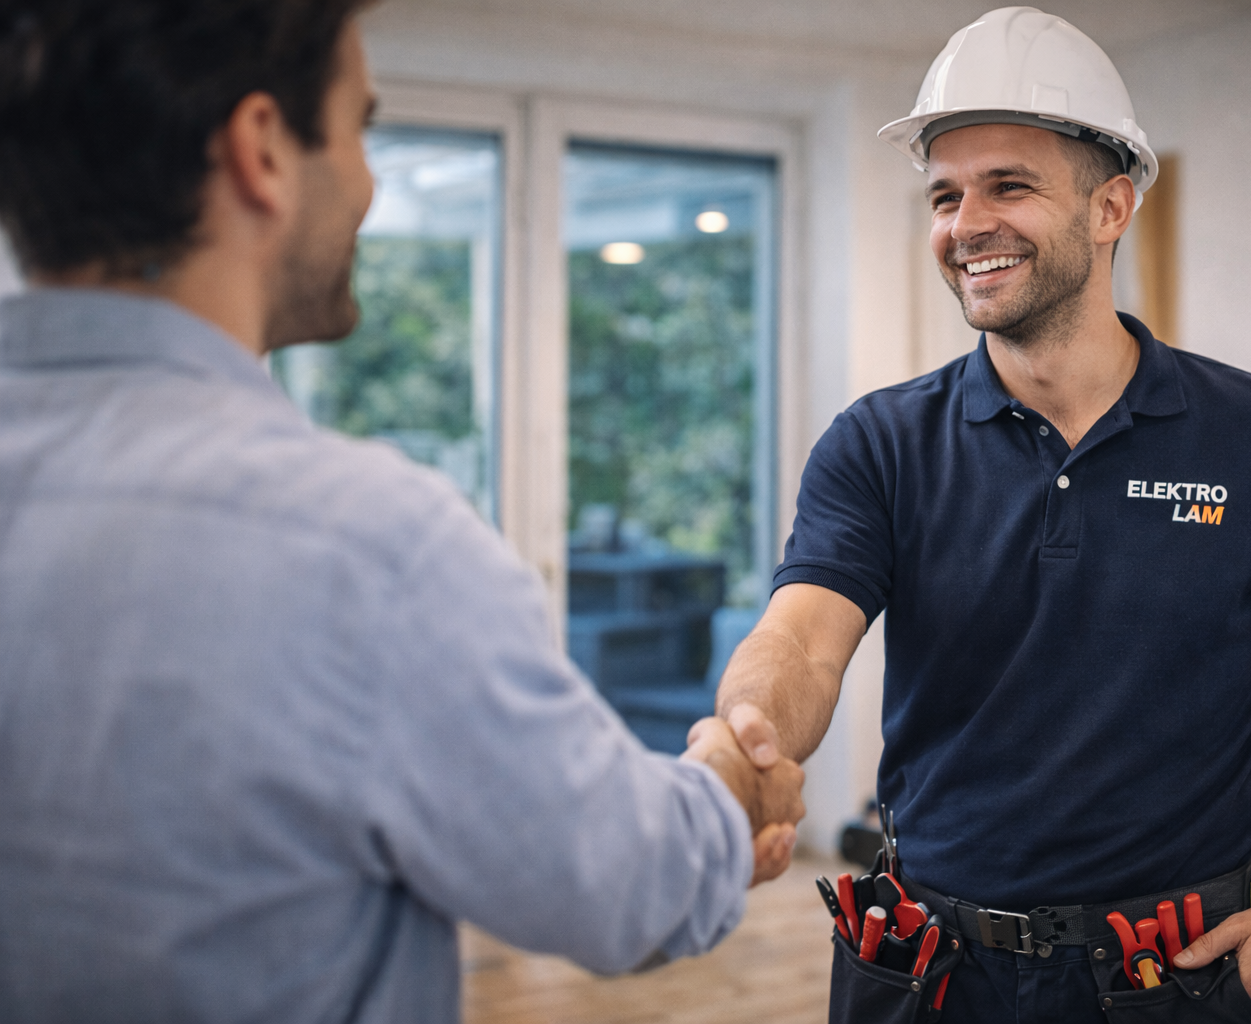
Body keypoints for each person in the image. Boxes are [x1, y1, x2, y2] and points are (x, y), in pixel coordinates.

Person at [0, 1, 803, 1020]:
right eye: (359, 127)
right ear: (263, 152)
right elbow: (619, 882)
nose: (371, 183)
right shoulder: (364, 548)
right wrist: (733, 781)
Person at [715, 8, 1251, 1023]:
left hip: (1182, 977)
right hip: (933, 977)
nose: (967, 224)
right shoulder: (880, 442)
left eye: (1009, 185)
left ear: (1110, 208)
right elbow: (802, 641)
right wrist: (743, 732)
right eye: (945, 194)